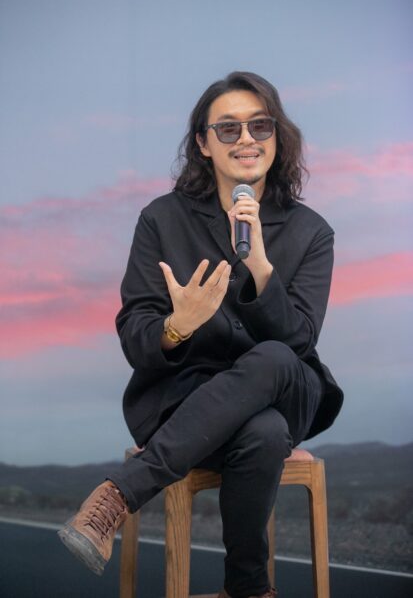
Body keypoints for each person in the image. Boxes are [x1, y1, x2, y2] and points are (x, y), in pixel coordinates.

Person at [58, 71, 343, 598]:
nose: (247, 139)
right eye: (229, 128)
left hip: (287, 387)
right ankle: (249, 589)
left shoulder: (311, 232)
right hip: (184, 399)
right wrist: (178, 325)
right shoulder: (161, 219)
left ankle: (119, 495)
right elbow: (135, 336)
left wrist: (261, 269)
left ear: (277, 137)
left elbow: (302, 340)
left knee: (277, 357)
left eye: (260, 125)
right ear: (203, 143)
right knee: (262, 433)